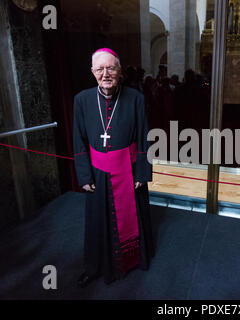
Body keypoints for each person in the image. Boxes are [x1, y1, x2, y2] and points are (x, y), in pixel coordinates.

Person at [73, 48, 154, 287]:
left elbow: (144, 136)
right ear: (92, 72)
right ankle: (94, 265)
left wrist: (142, 171)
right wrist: (84, 174)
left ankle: (133, 259)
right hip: (97, 173)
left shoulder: (136, 98)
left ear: (119, 71)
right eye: (100, 69)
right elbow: (78, 139)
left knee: (133, 217)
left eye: (111, 68)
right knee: (98, 220)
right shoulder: (82, 100)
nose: (105, 73)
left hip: (128, 171)